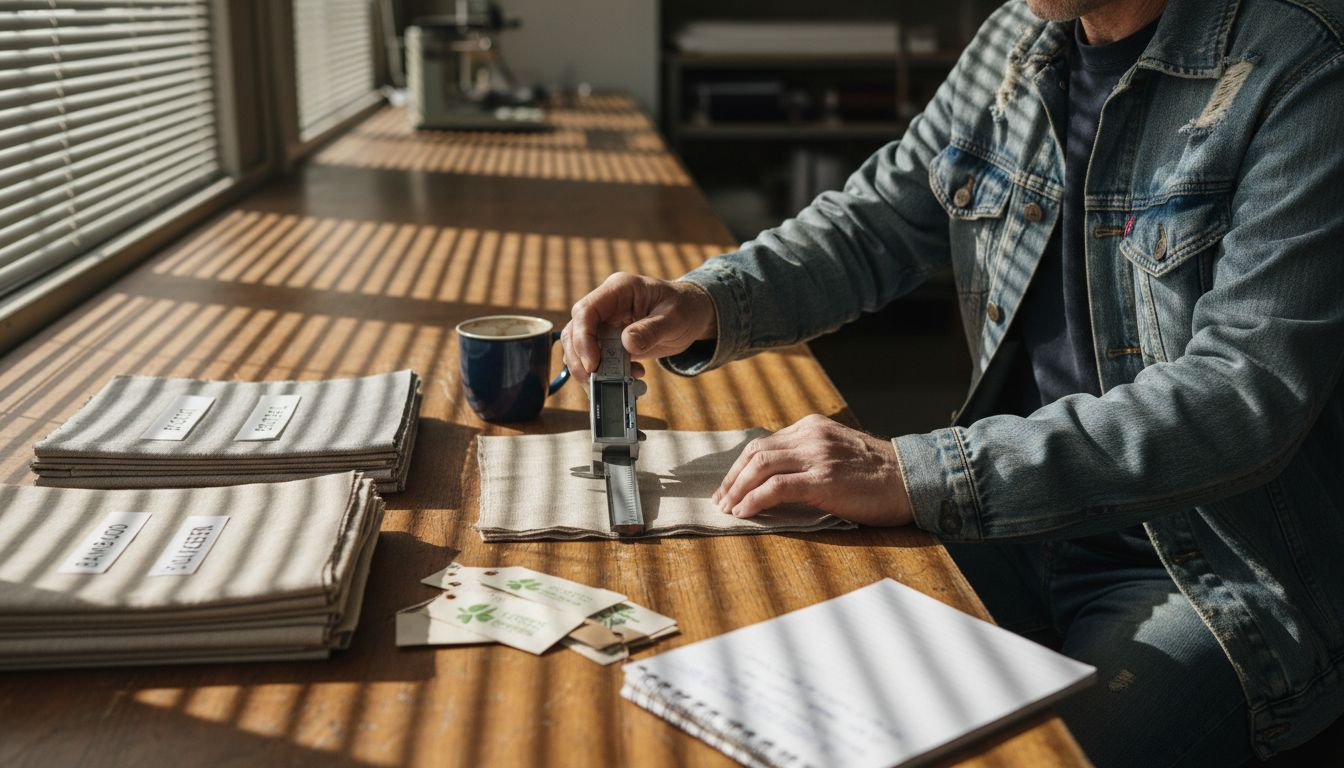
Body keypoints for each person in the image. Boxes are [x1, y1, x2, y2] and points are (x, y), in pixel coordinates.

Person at [561, 0, 1344, 765]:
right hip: (1006, 522)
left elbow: (1243, 392)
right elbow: (874, 224)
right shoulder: (1020, 34)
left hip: (1207, 566)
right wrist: (700, 302)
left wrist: (917, 471)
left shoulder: (1304, 63)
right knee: (740, 666)